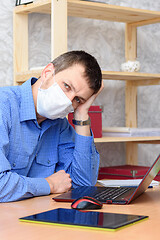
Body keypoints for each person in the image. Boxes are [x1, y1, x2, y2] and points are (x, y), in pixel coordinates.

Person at [0, 50, 103, 202]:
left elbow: (83, 184)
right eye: (67, 86)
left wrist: (82, 114)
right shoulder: (4, 106)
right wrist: (49, 184)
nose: (68, 100)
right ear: (48, 72)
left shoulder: (59, 124)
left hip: (33, 215)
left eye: (78, 99)